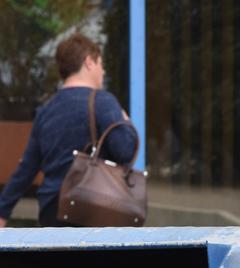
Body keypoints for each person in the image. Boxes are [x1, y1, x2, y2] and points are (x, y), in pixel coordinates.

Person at [0, 33, 137, 228]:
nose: (103, 72)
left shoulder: (46, 111)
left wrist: (3, 212)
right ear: (89, 62)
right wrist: (126, 122)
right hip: (94, 208)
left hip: (51, 211)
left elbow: (27, 169)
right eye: (101, 64)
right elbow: (125, 150)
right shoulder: (103, 101)